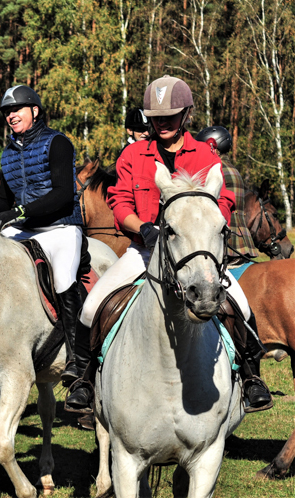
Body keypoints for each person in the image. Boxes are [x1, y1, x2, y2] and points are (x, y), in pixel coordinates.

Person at [66, 75, 272, 414]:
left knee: (240, 304)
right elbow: (119, 202)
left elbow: (223, 199)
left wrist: (210, 224)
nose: (162, 123)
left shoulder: (205, 155)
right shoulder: (133, 155)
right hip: (145, 250)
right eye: (156, 117)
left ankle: (250, 378)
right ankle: (85, 381)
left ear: (187, 115)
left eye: (170, 116)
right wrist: (144, 229)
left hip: (195, 252)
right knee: (92, 305)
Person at [0, 85, 85, 387]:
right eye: (7, 112)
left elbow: (63, 194)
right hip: (26, 227)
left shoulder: (58, 143)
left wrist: (18, 213)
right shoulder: (8, 153)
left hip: (61, 227)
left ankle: (76, 361)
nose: (11, 116)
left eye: (16, 110)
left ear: (35, 111)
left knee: (64, 280)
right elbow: (4, 198)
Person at [195, 126, 258, 265]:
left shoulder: (216, 169)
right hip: (240, 238)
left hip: (228, 243)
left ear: (212, 146)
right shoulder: (230, 167)